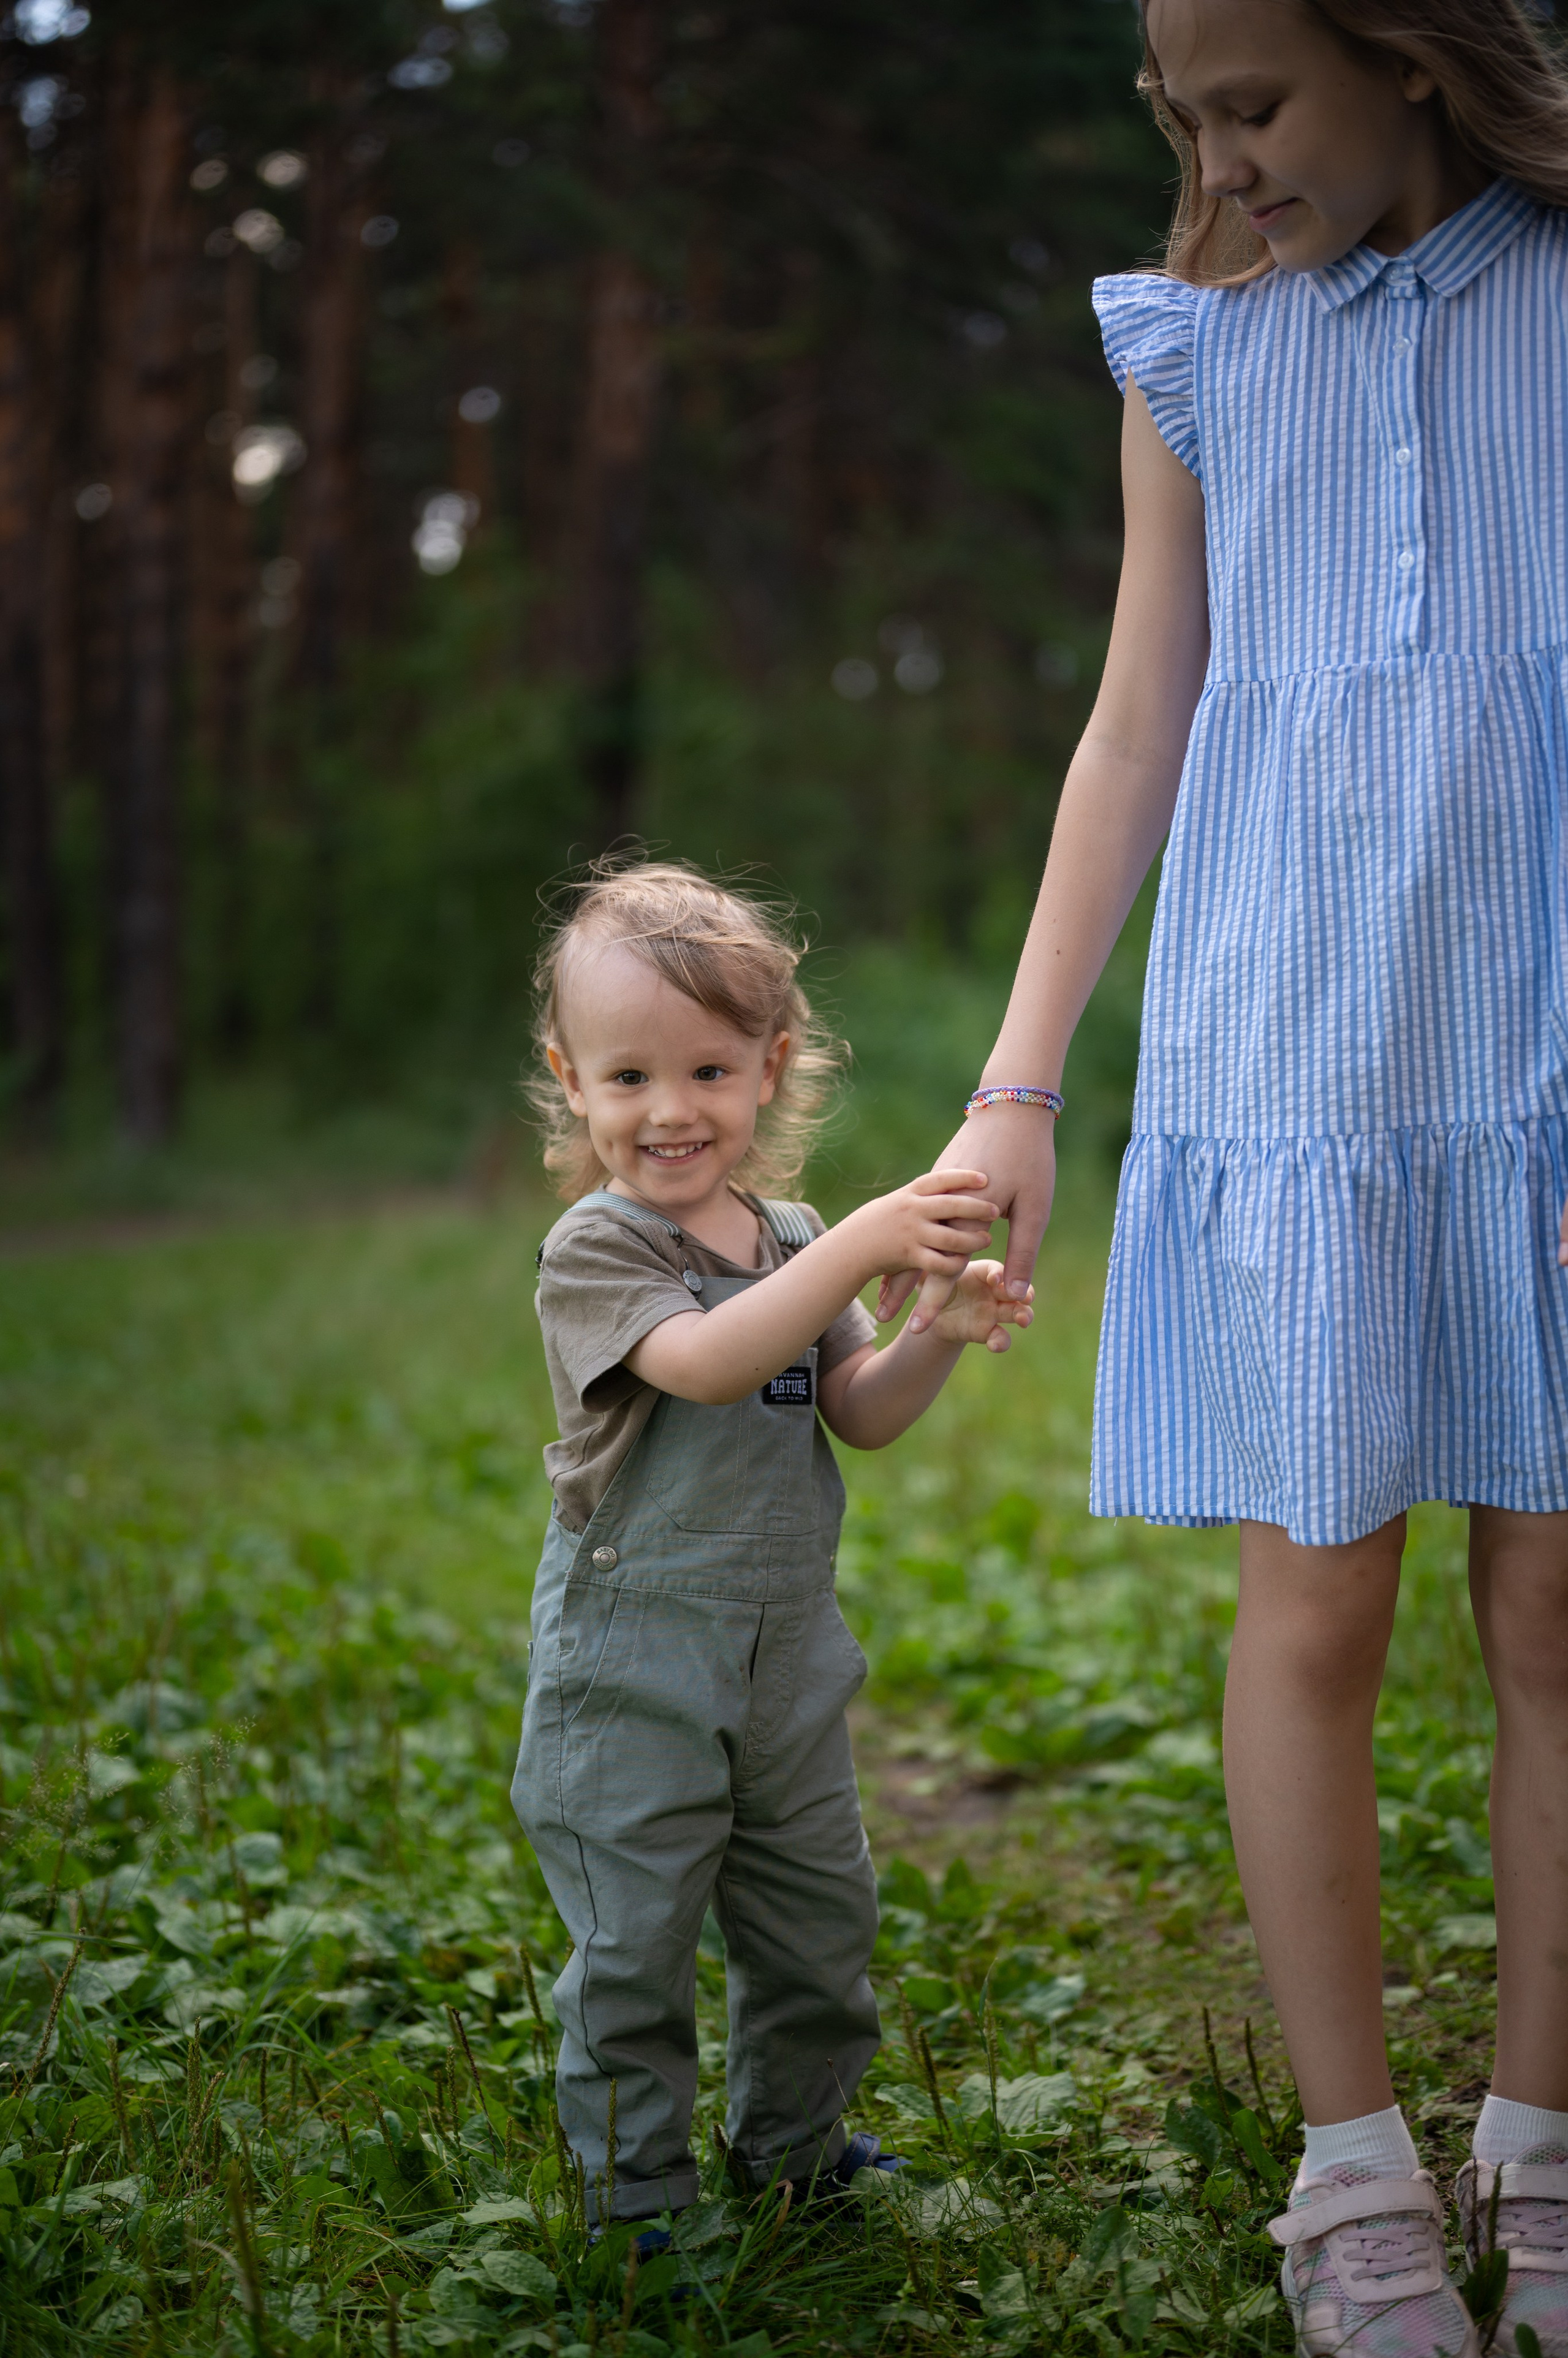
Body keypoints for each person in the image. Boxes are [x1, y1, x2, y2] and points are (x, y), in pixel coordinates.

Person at [884, 4, 1568, 2351]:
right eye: (1178, 114)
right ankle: (1354, 2173)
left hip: (1547, 1049)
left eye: (1253, 105)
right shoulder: (1191, 345)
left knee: (1558, 1608)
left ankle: (1548, 2149)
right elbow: (1137, 710)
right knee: (1320, 1607)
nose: (1216, 156)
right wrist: (1013, 1081)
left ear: (1418, 51)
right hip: (1297, 1053)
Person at [512, 859, 1032, 2242]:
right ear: (571, 1079)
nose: (669, 1110)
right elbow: (703, 1360)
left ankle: (792, 2152)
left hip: (786, 1658)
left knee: (818, 1923)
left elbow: (852, 1413)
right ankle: (637, 2206)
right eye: (627, 1077)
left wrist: (926, 1326)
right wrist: (862, 1242)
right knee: (633, 1945)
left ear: (770, 1066)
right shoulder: (597, 1249)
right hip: (634, 1667)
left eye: (707, 1069)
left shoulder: (791, 1238)